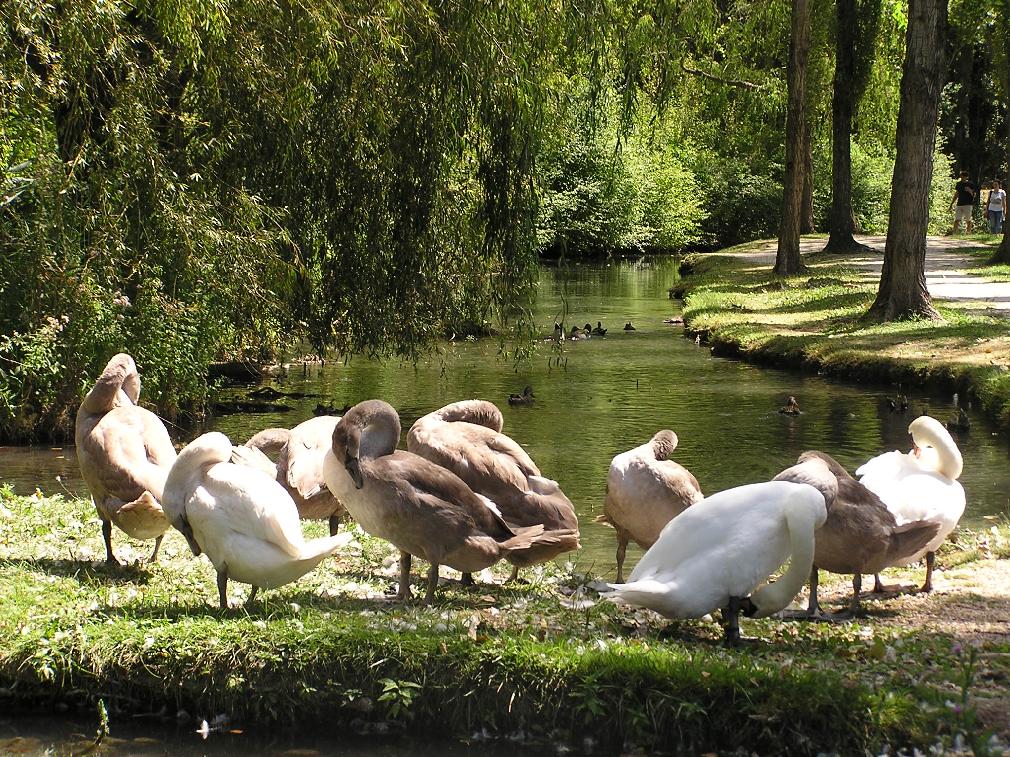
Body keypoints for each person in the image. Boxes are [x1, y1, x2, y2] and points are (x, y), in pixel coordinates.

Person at [949, 170, 976, 234]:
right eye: (961, 176)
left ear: (966, 177)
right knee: (957, 219)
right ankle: (954, 233)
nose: (962, 178)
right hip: (959, 203)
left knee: (968, 219)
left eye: (963, 176)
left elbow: (974, 195)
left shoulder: (970, 184)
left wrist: (969, 190)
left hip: (968, 204)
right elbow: (956, 194)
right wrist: (952, 203)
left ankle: (968, 232)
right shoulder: (958, 184)